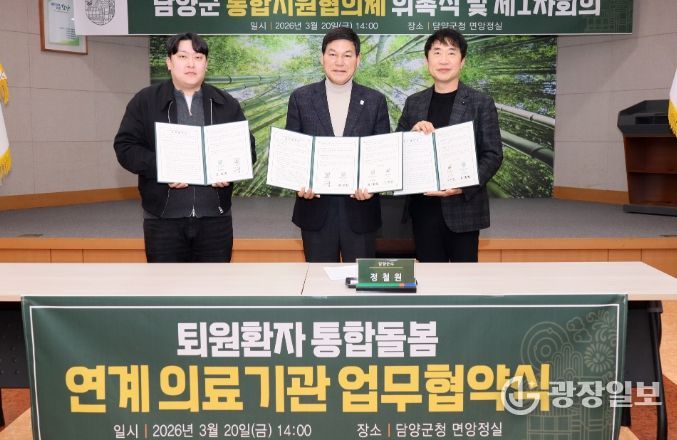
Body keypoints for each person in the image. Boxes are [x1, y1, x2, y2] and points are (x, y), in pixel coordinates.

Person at [114, 32, 255, 262]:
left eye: (198, 57)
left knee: (215, 282)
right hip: (162, 219)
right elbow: (125, 147)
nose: (191, 64)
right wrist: (162, 167)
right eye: (183, 56)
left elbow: (247, 148)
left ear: (206, 64)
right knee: (166, 283)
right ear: (169, 62)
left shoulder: (226, 103)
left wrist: (229, 171)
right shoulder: (145, 100)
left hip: (215, 218)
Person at [285, 27, 391, 263]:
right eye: (332, 54)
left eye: (347, 55)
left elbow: (382, 153)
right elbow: (293, 152)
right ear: (322, 58)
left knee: (362, 282)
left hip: (361, 212)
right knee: (319, 281)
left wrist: (374, 184)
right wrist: (298, 181)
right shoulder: (301, 98)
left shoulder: (374, 100)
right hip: (315, 211)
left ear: (358, 59)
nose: (339, 62)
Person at [396, 29, 502, 262]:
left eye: (451, 53)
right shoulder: (414, 102)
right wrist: (411, 135)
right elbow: (396, 149)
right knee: (429, 277)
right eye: (437, 52)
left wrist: (463, 185)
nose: (443, 60)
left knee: (463, 279)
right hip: (423, 208)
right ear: (427, 61)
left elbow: (492, 154)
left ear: (462, 61)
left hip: (463, 208)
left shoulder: (480, 103)